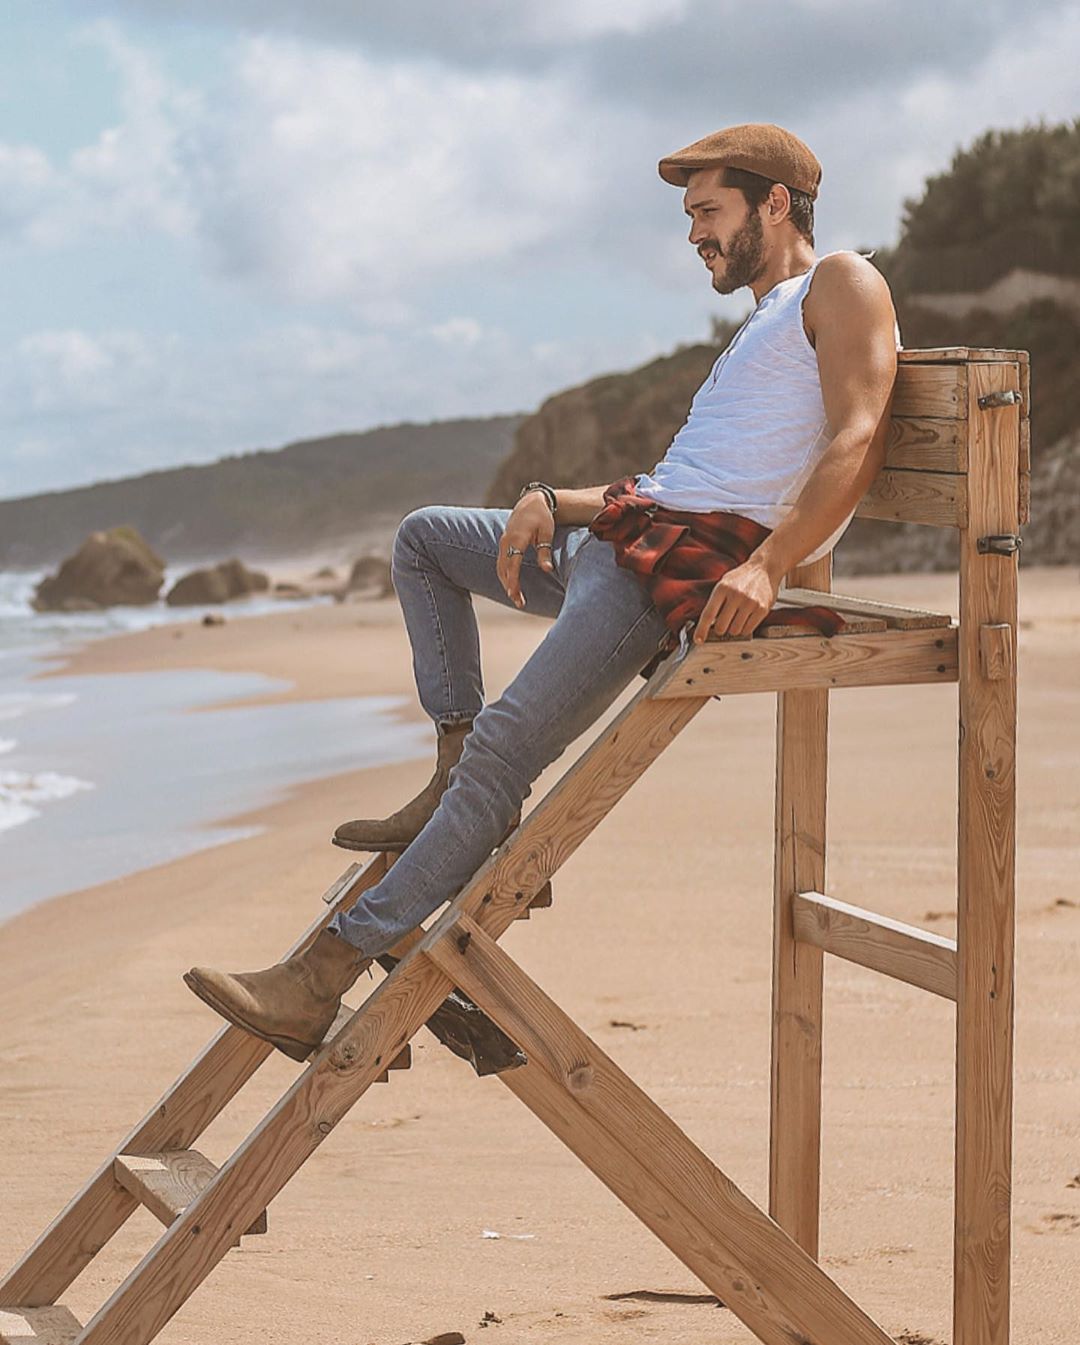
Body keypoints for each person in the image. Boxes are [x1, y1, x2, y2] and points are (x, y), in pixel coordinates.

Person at [184, 122, 901, 1063]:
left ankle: (323, 975)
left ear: (777, 202)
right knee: (425, 541)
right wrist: (547, 501)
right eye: (690, 217)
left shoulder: (841, 280)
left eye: (709, 211)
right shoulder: (761, 321)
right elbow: (679, 479)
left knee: (507, 748)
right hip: (629, 539)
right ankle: (452, 776)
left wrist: (769, 565)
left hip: (665, 578)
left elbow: (859, 433)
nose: (694, 234)